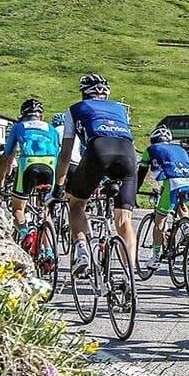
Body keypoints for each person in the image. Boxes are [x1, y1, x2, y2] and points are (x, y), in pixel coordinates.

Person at [53, 74, 138, 273]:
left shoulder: (74, 109)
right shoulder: (119, 109)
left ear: (84, 93)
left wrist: (58, 186)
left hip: (98, 150)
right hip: (128, 154)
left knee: (76, 204)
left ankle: (82, 250)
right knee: (125, 219)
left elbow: (65, 154)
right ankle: (129, 274)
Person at [0, 98, 61, 228]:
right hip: (50, 165)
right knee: (45, 210)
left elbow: (6, 157)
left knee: (18, 209)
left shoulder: (18, 127)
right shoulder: (52, 129)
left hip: (28, 163)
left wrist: (0, 184)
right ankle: (48, 248)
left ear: (23, 115)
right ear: (41, 116)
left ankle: (25, 235)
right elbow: (58, 154)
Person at [137, 126, 189, 261]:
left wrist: (135, 190)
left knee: (160, 221)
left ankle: (155, 257)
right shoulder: (180, 149)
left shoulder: (150, 150)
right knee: (181, 205)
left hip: (172, 184)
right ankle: (186, 227)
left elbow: (142, 172)